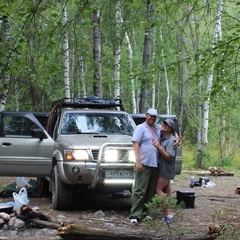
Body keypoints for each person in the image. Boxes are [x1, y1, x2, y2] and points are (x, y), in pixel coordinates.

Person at [129, 110, 179, 224]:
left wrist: (177, 137)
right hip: (144, 163)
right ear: (146, 116)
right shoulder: (140, 128)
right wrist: (138, 162)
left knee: (151, 191)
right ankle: (135, 215)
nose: (152, 118)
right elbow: (135, 144)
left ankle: (147, 213)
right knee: (139, 190)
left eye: (154, 116)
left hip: (155, 165)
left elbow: (170, 131)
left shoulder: (157, 128)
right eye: (150, 116)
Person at [152, 119, 177, 223]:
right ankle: (169, 212)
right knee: (167, 191)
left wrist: (158, 146)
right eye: (164, 123)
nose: (164, 126)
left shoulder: (171, 140)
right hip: (161, 167)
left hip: (166, 168)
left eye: (167, 125)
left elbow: (168, 157)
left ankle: (169, 213)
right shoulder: (161, 135)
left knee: (158, 190)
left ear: (170, 128)